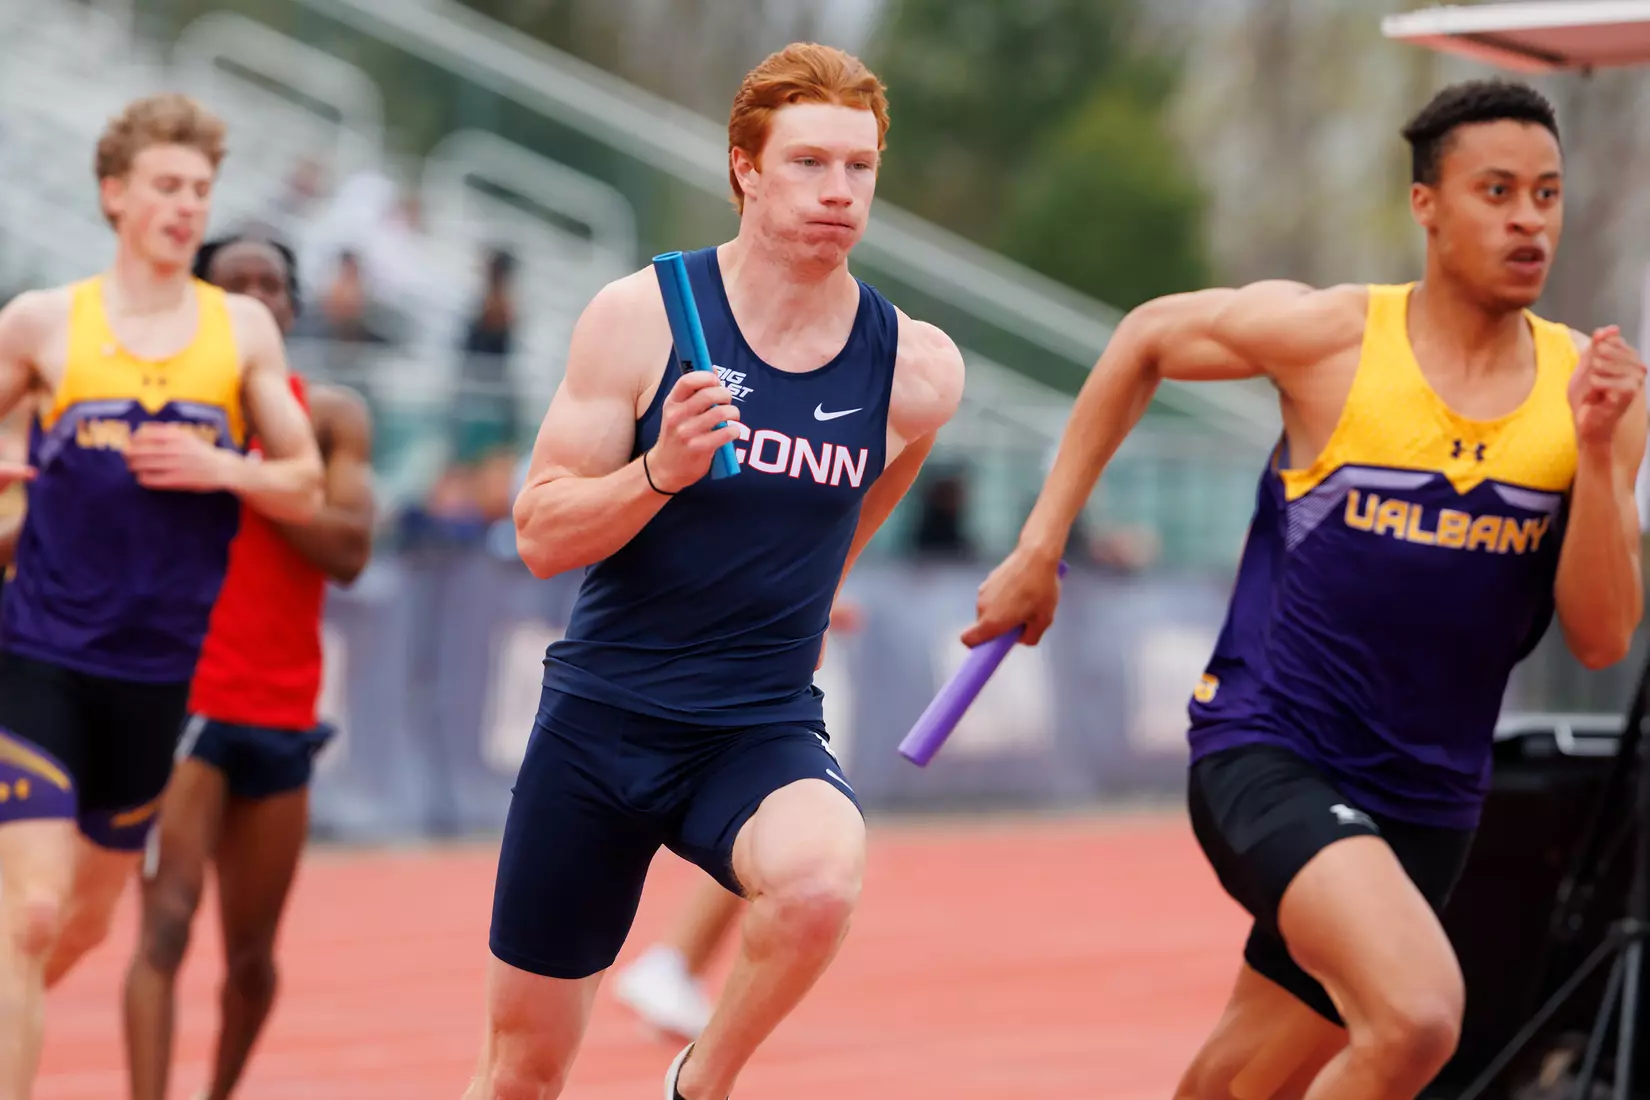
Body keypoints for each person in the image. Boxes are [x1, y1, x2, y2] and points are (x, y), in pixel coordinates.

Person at [966, 79, 1645, 1100]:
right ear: (1427, 205)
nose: (1526, 219)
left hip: (1428, 799)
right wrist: (1037, 544)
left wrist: (1596, 457)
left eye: (1546, 194)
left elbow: (1599, 636)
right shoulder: (1333, 340)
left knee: (1246, 1077)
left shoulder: (1589, 396)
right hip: (1271, 749)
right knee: (1415, 1017)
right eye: (1496, 190)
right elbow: (1147, 336)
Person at [468, 42, 965, 1100]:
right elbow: (541, 532)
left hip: (755, 727)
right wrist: (660, 471)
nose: (839, 193)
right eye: (809, 163)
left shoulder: (913, 367)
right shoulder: (644, 317)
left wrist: (830, 570)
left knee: (822, 882)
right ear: (745, 165)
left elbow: (880, 475)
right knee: (522, 1069)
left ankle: (701, 1082)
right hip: (602, 725)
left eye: (860, 168)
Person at [0, 94, 322, 1100]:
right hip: (38, 649)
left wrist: (222, 466)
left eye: (200, 190)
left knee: (88, 921)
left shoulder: (238, 333)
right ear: (115, 194)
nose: (187, 207)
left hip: (158, 670)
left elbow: (303, 479)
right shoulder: (48, 320)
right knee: (33, 914)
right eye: (167, 187)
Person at [120, 234, 376, 1100]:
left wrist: (245, 473)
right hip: (184, 704)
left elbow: (348, 552)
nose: (259, 297)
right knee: (164, 926)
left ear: (294, 309)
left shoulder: (332, 417)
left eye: (274, 284)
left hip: (282, 714)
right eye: (237, 285)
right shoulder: (159, 411)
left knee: (255, 960)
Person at [612, 600, 862, 1042]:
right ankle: (676, 963)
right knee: (781, 831)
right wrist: (820, 604)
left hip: (772, 660)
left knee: (779, 833)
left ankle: (679, 964)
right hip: (774, 669)